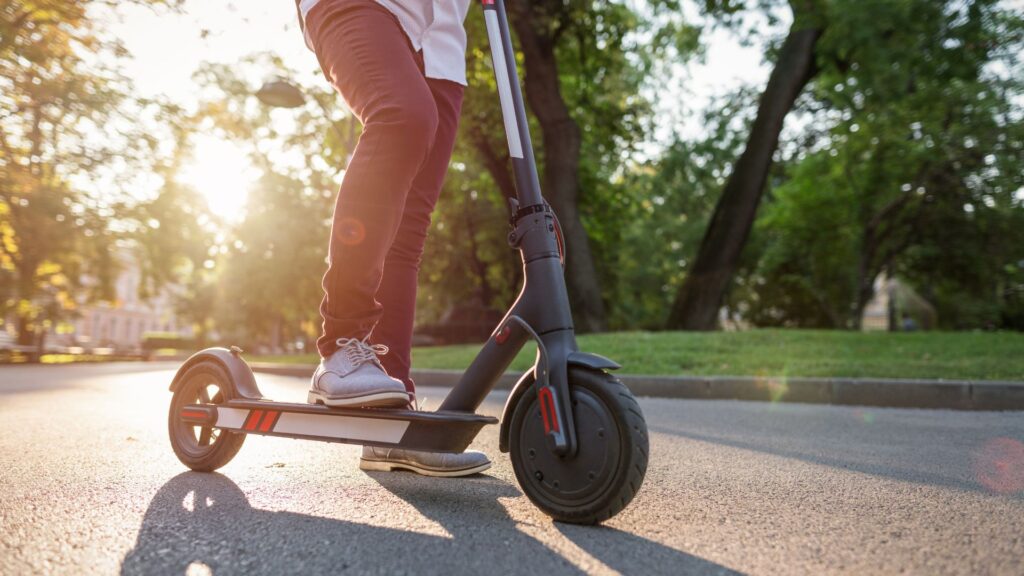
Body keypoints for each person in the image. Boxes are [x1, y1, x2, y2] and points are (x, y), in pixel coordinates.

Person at [295, 0, 490, 477]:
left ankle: (390, 423)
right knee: (402, 116)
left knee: (408, 228)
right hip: (364, 5)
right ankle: (341, 343)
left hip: (441, 36)